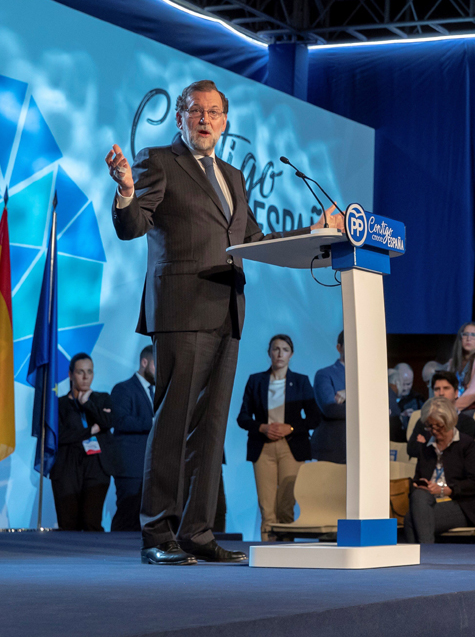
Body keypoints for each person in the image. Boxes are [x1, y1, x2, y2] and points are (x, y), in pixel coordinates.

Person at [106, 81, 343, 564]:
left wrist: (317, 231)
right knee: (173, 425)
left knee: (210, 431)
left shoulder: (234, 177)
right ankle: (157, 534)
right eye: (197, 111)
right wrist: (127, 191)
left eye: (215, 113)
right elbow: (134, 227)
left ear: (226, 122)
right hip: (181, 309)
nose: (206, 120)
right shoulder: (159, 161)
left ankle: (197, 532)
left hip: (227, 312)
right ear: (180, 117)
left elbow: (254, 240)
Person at [236, 334, 321, 541]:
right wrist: (262, 427)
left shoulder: (300, 381)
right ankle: (267, 556)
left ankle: (286, 555)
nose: (280, 353)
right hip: (263, 448)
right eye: (275, 349)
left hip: (291, 448)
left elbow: (314, 418)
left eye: (285, 349)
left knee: (286, 506)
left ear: (291, 355)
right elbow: (243, 417)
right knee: (267, 509)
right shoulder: (256, 380)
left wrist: (290, 428)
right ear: (269, 353)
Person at [404, 397, 475, 543]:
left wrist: (446, 490)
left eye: (438, 426)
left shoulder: (467, 445)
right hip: (429, 501)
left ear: (449, 422)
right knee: (418, 497)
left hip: (462, 503)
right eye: (429, 427)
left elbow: (474, 483)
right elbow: (418, 477)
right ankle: (426, 557)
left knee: (411, 519)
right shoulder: (426, 447)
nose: (434, 431)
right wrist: (419, 485)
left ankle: (425, 556)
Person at [54, 354, 114, 531]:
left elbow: (107, 422)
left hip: (97, 465)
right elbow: (60, 436)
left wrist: (87, 403)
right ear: (71, 374)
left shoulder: (102, 398)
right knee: (69, 523)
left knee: (91, 522)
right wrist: (90, 431)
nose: (86, 377)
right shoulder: (59, 404)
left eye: (89, 372)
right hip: (67, 467)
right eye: (80, 372)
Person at [110, 346, 156, 532]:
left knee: (144, 516)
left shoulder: (159, 391)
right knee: (127, 512)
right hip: (130, 466)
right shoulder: (123, 388)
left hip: (150, 465)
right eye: (156, 365)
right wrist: (154, 422)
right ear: (144, 362)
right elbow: (120, 420)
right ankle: (114, 551)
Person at [407, 372, 475, 458]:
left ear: (456, 393)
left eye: (446, 388)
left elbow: (462, 451)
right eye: (437, 389)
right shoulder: (424, 421)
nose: (441, 393)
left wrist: (427, 444)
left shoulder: (467, 423)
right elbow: (411, 449)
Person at [311, 331, 347, 464]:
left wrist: (351, 393)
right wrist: (366, 410)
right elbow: (330, 409)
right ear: (339, 348)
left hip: (363, 446)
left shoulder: (368, 376)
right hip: (334, 447)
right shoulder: (324, 374)